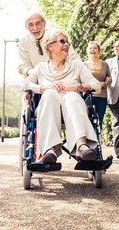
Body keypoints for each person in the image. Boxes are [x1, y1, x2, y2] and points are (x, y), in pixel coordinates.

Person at [21, 30, 101, 163]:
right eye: (62, 41)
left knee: (70, 96)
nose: (67, 45)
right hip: (49, 109)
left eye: (67, 42)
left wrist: (76, 87)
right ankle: (49, 149)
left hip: (73, 108)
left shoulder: (77, 65)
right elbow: (24, 85)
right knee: (50, 94)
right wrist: (44, 88)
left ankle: (82, 145)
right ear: (50, 46)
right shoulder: (40, 68)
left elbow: (96, 85)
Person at [18, 11, 81, 77]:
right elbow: (23, 65)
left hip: (59, 78)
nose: (35, 28)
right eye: (30, 25)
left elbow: (74, 58)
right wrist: (36, 74)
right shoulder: (23, 42)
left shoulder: (57, 37)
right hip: (35, 81)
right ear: (26, 27)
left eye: (38, 23)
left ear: (44, 23)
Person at [84, 41, 111, 130]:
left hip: (101, 96)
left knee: (99, 121)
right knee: (87, 120)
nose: (92, 50)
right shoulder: (84, 65)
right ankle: (88, 142)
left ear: (99, 51)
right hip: (88, 96)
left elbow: (110, 80)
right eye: (90, 48)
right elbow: (81, 80)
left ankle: (96, 142)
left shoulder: (105, 65)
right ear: (88, 51)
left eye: (95, 48)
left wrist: (105, 83)